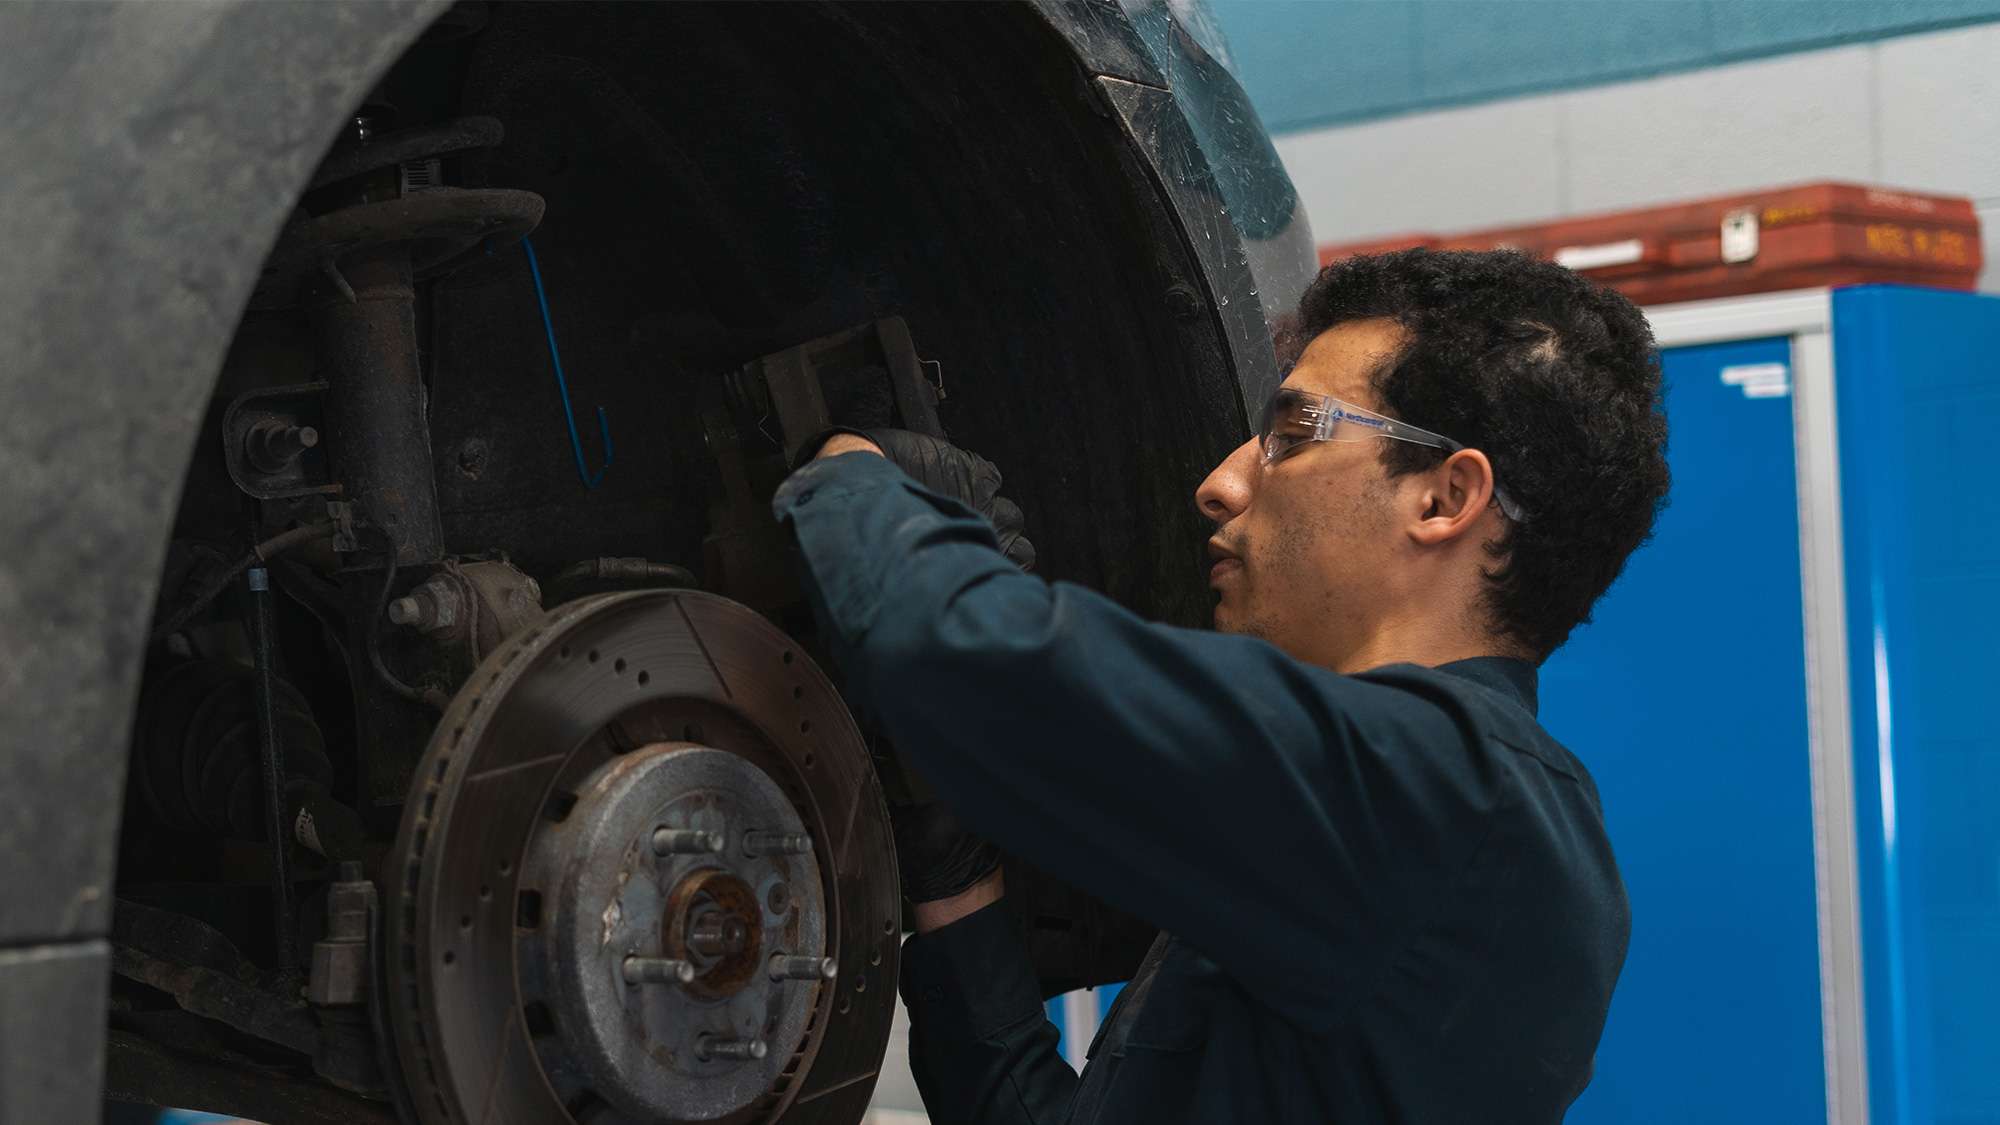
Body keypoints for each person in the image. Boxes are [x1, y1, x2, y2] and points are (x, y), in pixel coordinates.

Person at [773, 249, 1671, 1123]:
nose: (1220, 483)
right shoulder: (1407, 828)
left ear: (1442, 498)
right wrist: (958, 883)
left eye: (1289, 435)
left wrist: (852, 474)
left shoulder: (1458, 794)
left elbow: (984, 665)